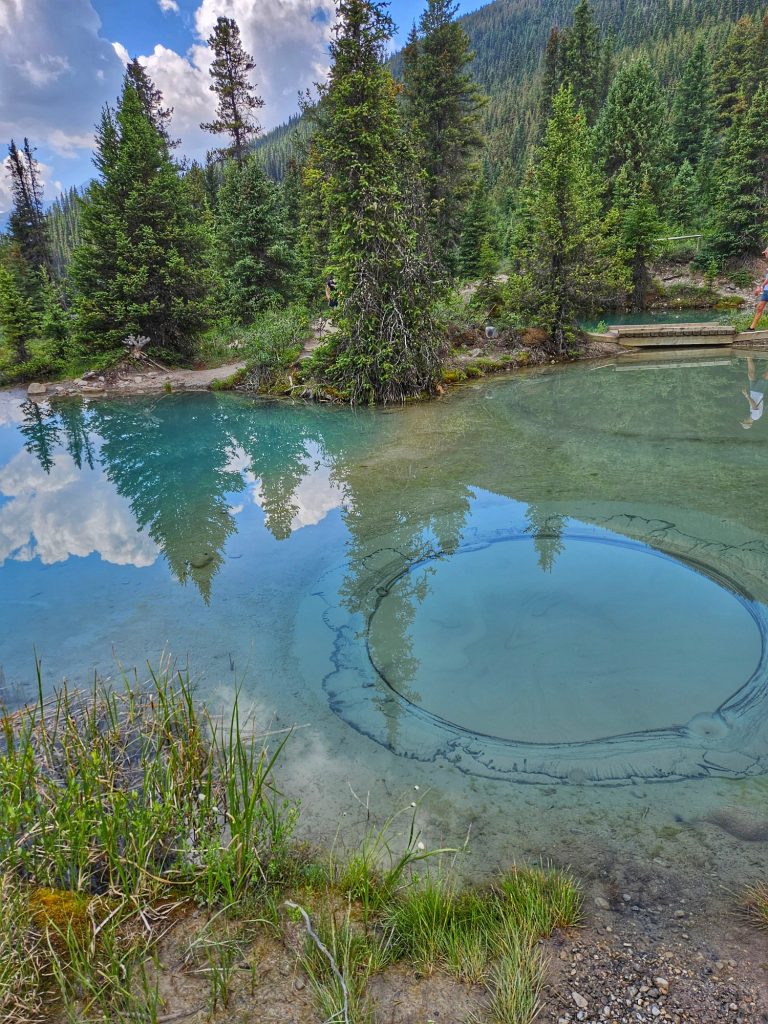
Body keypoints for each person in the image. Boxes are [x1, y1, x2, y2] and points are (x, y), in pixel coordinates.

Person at [740, 355, 768, 429]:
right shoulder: (755, 417)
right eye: (744, 421)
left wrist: (748, 396)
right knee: (765, 376)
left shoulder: (752, 414)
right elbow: (754, 405)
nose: (744, 419)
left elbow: (752, 403)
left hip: (754, 392)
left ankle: (749, 357)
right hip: (758, 392)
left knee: (751, 374)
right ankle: (749, 357)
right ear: (748, 423)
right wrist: (746, 395)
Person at [747, 247, 768, 330]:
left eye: (766, 253)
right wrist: (761, 286)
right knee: (759, 307)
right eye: (765, 253)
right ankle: (752, 328)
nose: (765, 254)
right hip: (767, 290)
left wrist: (761, 286)